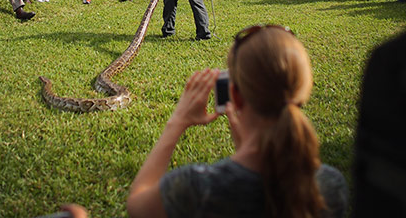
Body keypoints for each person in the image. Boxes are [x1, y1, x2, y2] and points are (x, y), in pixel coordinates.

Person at [126, 25, 348, 218]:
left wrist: (176, 122)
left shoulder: (199, 186)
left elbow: (137, 206)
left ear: (235, 95)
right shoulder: (331, 185)